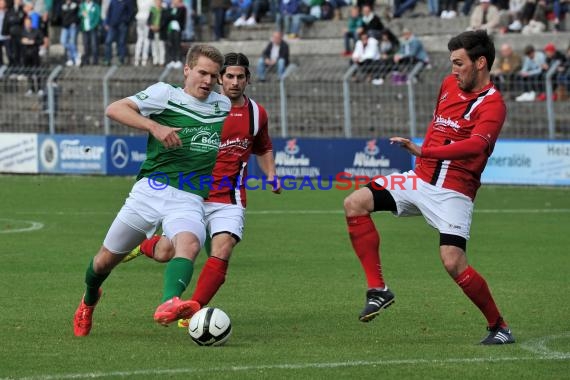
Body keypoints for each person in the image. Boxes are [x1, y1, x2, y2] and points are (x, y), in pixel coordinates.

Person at [343, 30, 515, 345]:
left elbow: (476, 146)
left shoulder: (494, 105)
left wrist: (425, 151)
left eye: (459, 63)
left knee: (452, 261)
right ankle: (378, 290)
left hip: (454, 192)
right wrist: (424, 157)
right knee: (355, 203)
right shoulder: (449, 85)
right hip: (419, 179)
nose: (453, 70)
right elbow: (439, 127)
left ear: (480, 63)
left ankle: (499, 326)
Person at [72, 44, 231, 337]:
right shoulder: (166, 94)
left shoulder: (223, 106)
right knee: (103, 261)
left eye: (214, 75)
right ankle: (89, 300)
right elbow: (114, 109)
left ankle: (169, 303)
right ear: (187, 70)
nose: (208, 81)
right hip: (150, 191)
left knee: (189, 246)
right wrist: (154, 127)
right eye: (202, 73)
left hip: (189, 196)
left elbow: (246, 112)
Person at [121, 52, 280, 321]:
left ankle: (190, 311)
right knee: (166, 252)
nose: (234, 82)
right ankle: (147, 246)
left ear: (248, 80)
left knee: (223, 249)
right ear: (220, 78)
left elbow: (263, 147)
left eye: (240, 77)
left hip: (228, 197)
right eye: (229, 76)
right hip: (191, 192)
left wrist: (272, 174)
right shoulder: (203, 107)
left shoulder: (256, 113)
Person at [103, 0, 135, 65]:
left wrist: (125, 20)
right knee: (108, 41)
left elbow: (131, 12)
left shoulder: (127, 1)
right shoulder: (113, 1)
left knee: (121, 42)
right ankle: (107, 59)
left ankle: (121, 59)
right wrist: (106, 23)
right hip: (113, 25)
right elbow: (109, 12)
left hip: (122, 25)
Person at [79, 0, 102, 65]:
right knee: (86, 45)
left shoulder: (95, 6)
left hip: (93, 28)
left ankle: (95, 61)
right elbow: (79, 14)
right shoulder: (82, 5)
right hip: (84, 28)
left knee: (94, 44)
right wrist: (81, 14)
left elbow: (98, 17)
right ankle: (86, 60)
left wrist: (94, 25)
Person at [133, 0, 152, 66]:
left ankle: (137, 58)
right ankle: (144, 59)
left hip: (139, 17)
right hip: (146, 18)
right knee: (146, 39)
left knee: (140, 39)